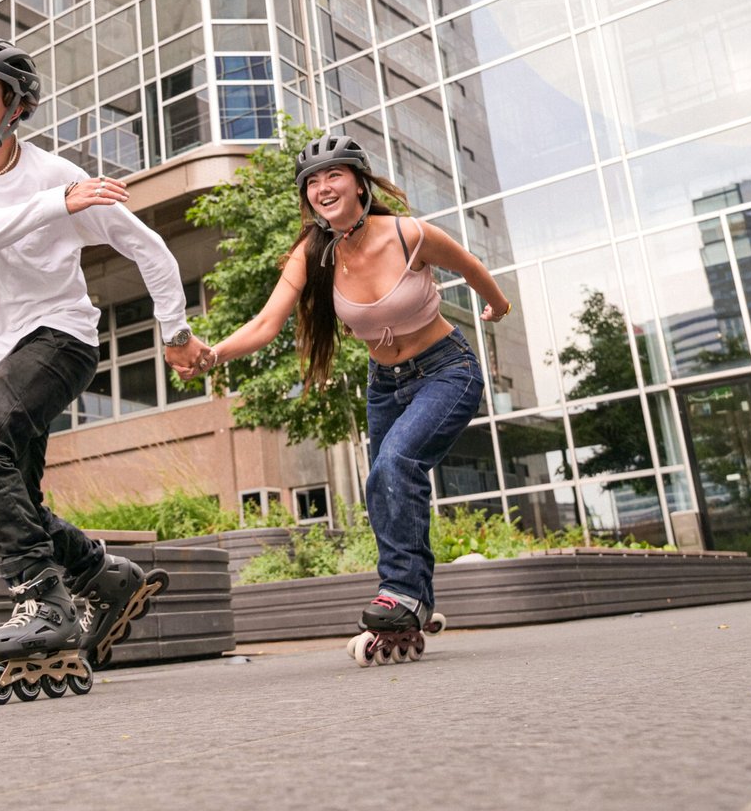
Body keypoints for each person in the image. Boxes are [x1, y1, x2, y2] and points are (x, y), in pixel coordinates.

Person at [0, 37, 212, 670]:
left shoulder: (58, 175)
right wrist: (59, 205)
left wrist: (175, 332)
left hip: (61, 338)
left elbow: (151, 249)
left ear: (14, 106)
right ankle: (104, 576)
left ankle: (42, 599)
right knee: (12, 493)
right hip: (0, 350)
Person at [179, 134, 510, 656]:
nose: (322, 187)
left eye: (333, 175)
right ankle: (411, 598)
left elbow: (470, 268)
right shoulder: (314, 254)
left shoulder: (409, 234)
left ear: (358, 182)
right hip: (386, 385)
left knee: (394, 465)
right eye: (312, 181)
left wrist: (496, 304)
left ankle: (400, 591)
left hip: (448, 370)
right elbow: (267, 322)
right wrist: (213, 354)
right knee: (385, 484)